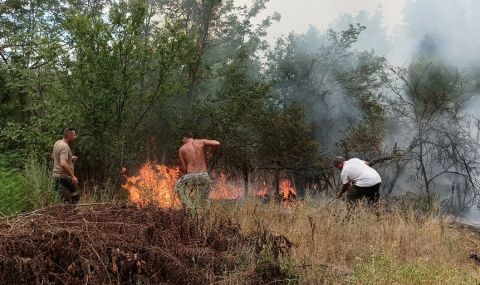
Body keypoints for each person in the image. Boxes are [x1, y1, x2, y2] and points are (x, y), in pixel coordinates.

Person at [175, 132, 220, 211]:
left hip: (190, 176)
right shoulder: (201, 142)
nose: (182, 143)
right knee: (205, 200)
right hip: (203, 176)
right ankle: (205, 215)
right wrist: (210, 153)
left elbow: (184, 168)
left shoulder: (182, 149)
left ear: (184, 138)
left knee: (178, 187)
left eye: (182, 141)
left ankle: (188, 207)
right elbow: (217, 143)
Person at [52, 128, 80, 204]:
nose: (75, 137)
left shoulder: (58, 143)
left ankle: (67, 214)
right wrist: (73, 176)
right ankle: (72, 215)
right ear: (69, 135)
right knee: (75, 197)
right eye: (74, 135)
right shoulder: (65, 146)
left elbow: (55, 157)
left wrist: (70, 159)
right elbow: (63, 163)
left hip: (56, 177)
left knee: (64, 200)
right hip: (64, 178)